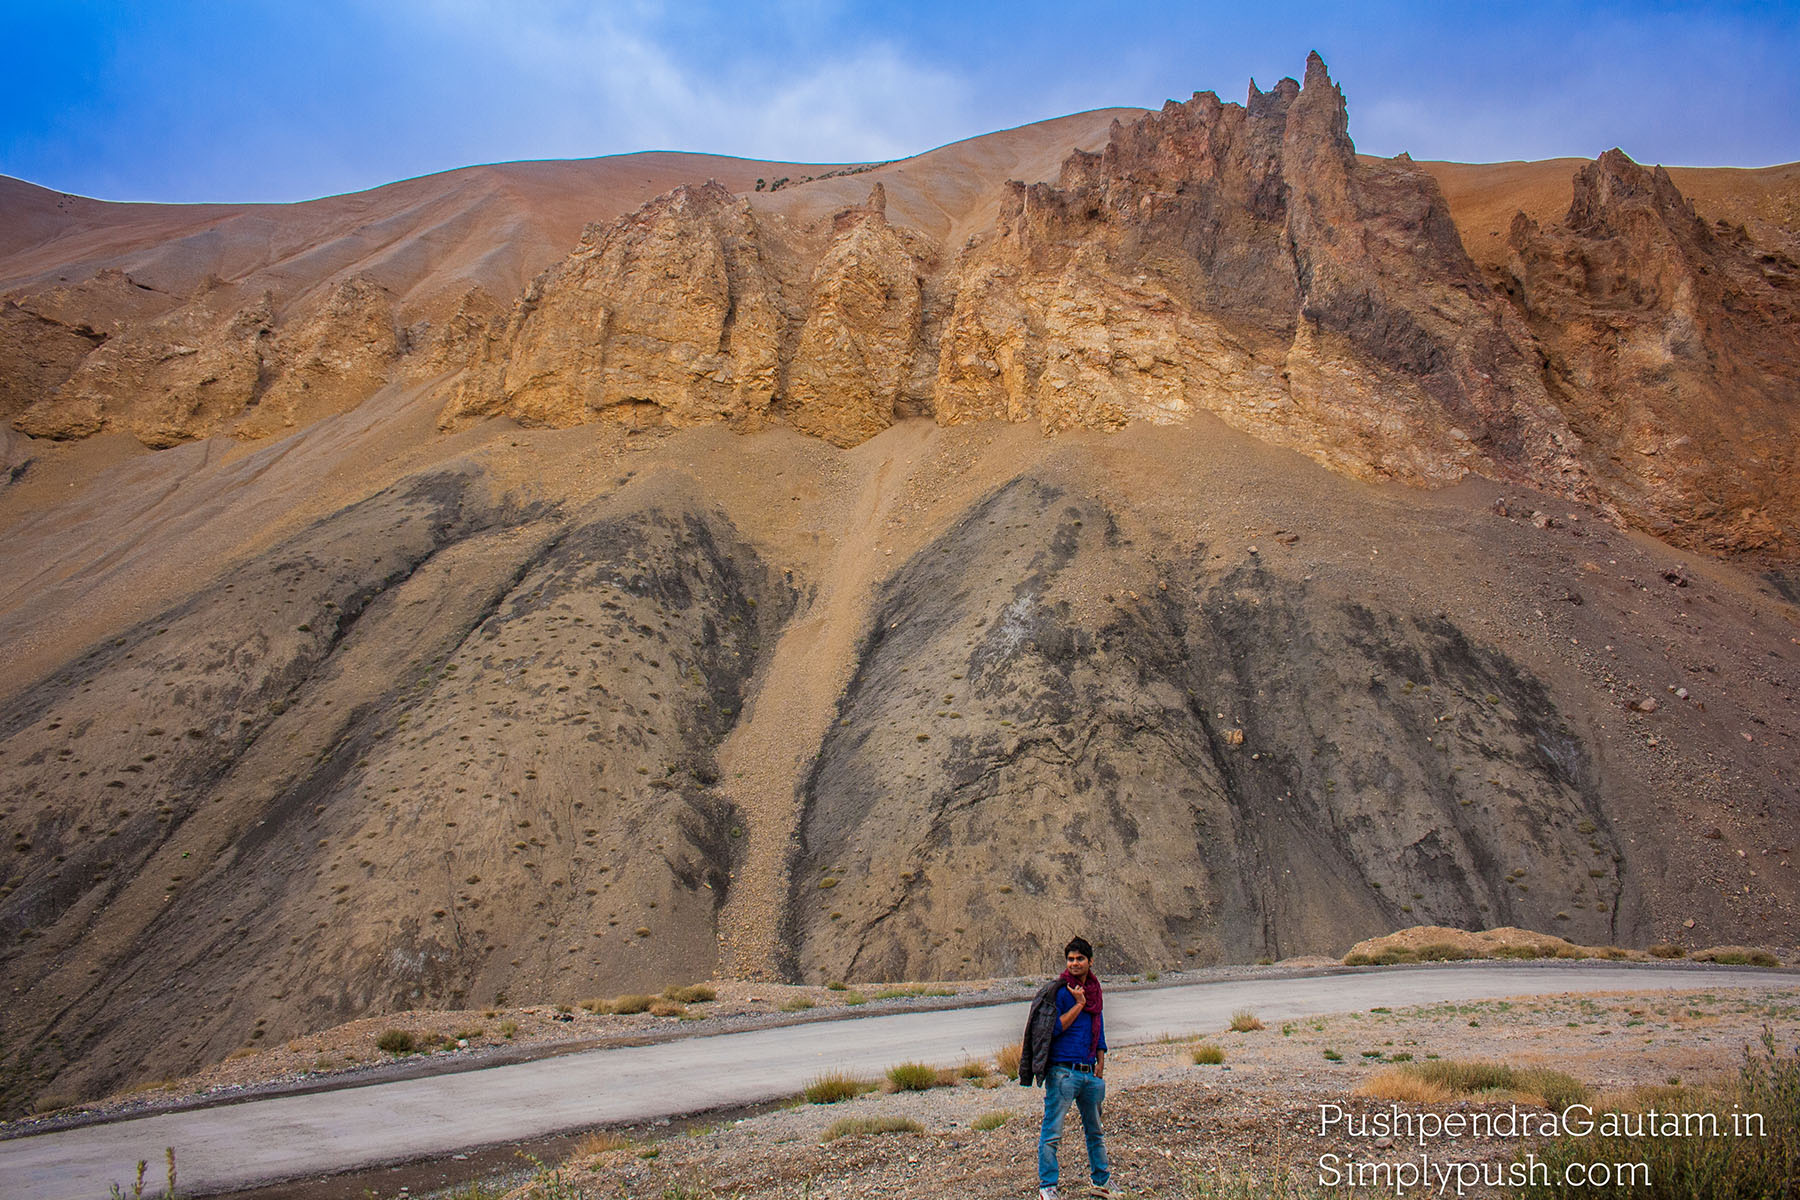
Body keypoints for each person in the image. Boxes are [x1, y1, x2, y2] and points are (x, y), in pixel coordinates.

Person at [1019, 936, 1111, 1199]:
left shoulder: (1094, 991)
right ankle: (1047, 1188)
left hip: (1089, 1072)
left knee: (1095, 1131)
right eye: (1070, 959)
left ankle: (1101, 1182)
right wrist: (1079, 1004)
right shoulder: (1059, 992)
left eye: (1080, 959)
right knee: (1052, 1133)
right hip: (1062, 1072)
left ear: (1090, 961)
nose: (1074, 963)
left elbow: (1099, 1026)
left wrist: (1101, 1061)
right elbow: (1052, 1029)